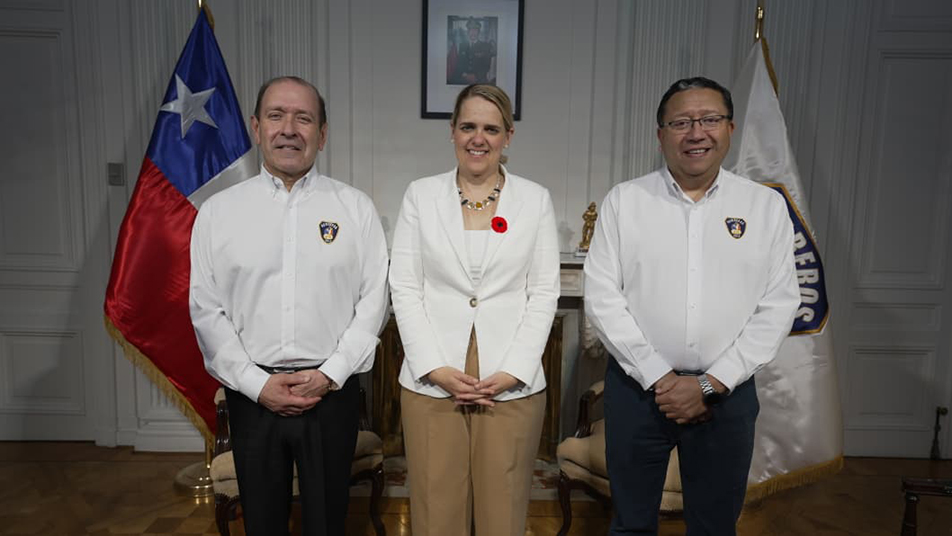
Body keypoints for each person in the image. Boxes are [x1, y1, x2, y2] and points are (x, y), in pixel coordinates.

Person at [583, 77, 800, 535]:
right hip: (637, 391)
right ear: (660, 135)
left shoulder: (765, 207)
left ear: (730, 128)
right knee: (630, 525)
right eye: (680, 122)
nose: (695, 132)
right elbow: (602, 297)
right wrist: (663, 379)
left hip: (727, 395)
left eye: (708, 120)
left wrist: (709, 383)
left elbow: (779, 305)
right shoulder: (626, 201)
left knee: (715, 527)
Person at [189, 76, 389, 536]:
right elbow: (205, 310)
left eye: (304, 118)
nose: (289, 129)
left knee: (326, 521)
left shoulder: (355, 210)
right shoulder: (217, 213)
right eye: (277, 116)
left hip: (330, 394)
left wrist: (330, 374)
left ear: (322, 133)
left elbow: (375, 300)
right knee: (261, 522)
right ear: (256, 127)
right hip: (252, 396)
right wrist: (258, 385)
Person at [389, 83, 560, 536]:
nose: (477, 138)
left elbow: (543, 292)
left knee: (502, 517)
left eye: (490, 128)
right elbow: (404, 287)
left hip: (509, 380)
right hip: (433, 381)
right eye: (468, 126)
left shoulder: (535, 199)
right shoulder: (420, 196)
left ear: (509, 136)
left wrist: (517, 370)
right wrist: (434, 368)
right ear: (452, 132)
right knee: (435, 512)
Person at [450, 18, 496, 84]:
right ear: (468, 32)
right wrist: (465, 75)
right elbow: (459, 64)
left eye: (475, 30)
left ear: (479, 32)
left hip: (479, 79)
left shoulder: (485, 46)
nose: (473, 33)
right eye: (471, 30)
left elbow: (486, 66)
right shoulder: (462, 45)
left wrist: (476, 76)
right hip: (464, 78)